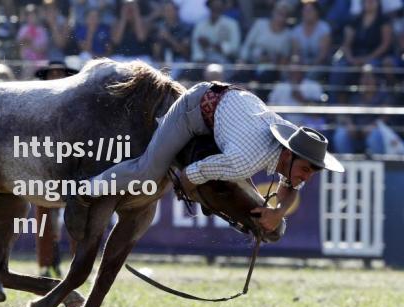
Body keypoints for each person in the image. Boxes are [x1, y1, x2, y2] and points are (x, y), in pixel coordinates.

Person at [64, 81, 345, 240]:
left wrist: (278, 212)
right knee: (147, 172)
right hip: (194, 110)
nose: (306, 177)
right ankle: (86, 188)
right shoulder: (245, 161)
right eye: (306, 169)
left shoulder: (287, 142)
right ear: (288, 154)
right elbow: (192, 174)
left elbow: (292, 184)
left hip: (222, 107)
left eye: (312, 173)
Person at [34, 61, 79, 277]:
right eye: (52, 73)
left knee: (76, 215)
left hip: (71, 165)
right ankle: (45, 264)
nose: (56, 76)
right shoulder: (38, 103)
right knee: (43, 218)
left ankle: (77, 264)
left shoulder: (76, 103)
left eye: (60, 73)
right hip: (45, 166)